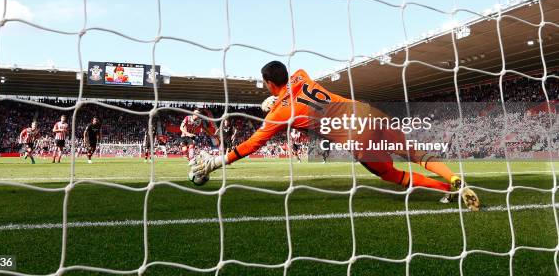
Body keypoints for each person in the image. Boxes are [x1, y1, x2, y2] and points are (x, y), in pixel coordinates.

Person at [190, 60, 480, 211]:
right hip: (368, 112)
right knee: (416, 153)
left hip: (357, 137)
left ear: (268, 83)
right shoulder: (301, 74)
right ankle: (455, 179)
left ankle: (446, 191)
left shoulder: (278, 113)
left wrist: (217, 162)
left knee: (391, 174)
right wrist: (276, 101)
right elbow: (292, 90)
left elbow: (253, 144)